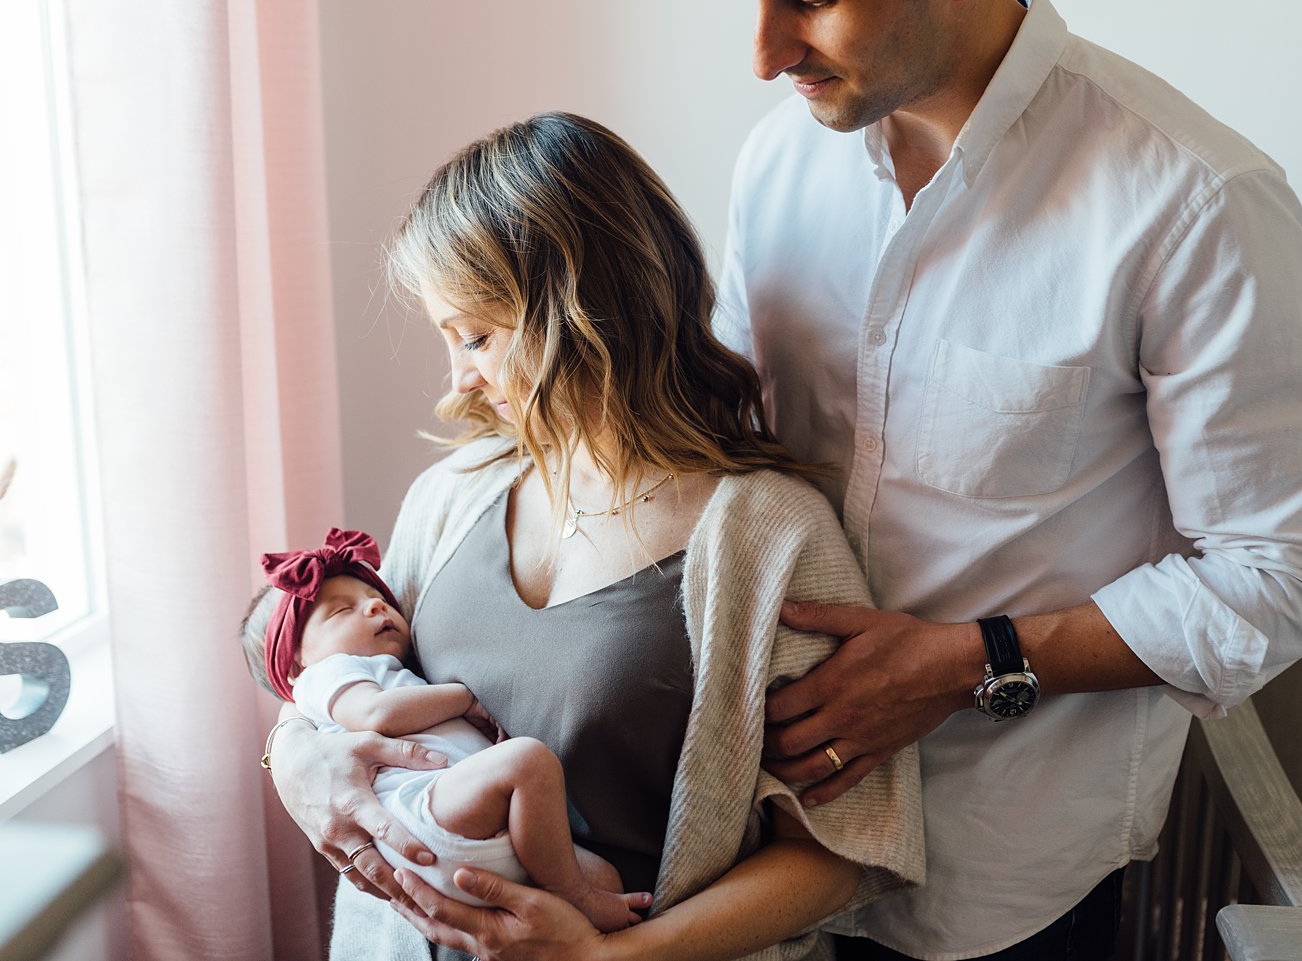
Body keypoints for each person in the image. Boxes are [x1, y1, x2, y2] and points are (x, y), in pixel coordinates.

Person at [716, 0, 1302, 959]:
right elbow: (728, 445)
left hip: (999, 878)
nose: (762, 53)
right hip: (759, 848)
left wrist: (972, 661)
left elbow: (1290, 574)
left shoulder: (1194, 201)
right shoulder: (776, 164)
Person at [262, 111, 925, 961]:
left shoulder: (769, 536)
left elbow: (837, 848)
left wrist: (602, 957)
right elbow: (341, 678)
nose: (459, 379)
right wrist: (290, 755)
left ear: (579, 308)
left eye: (475, 336)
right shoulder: (451, 496)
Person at [239, 527, 653, 930]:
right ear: (295, 666)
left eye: (375, 597)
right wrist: (465, 698)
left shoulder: (385, 669)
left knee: (607, 880)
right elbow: (375, 714)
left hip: (464, 830)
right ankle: (574, 894)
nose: (375, 606)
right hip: (422, 816)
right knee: (528, 762)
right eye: (343, 610)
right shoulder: (329, 673)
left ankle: (582, 904)